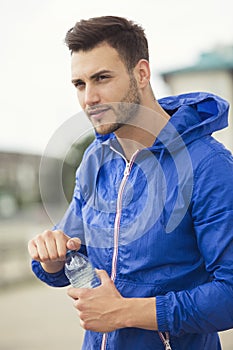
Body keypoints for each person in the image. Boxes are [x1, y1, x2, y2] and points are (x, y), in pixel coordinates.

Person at [28, 16, 233, 350]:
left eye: (102, 78)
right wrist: (53, 257)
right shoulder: (95, 161)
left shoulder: (209, 165)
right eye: (79, 84)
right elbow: (74, 257)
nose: (89, 98)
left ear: (141, 73)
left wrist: (125, 312)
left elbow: (230, 293)